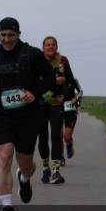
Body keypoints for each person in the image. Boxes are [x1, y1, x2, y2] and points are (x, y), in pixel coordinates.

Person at [0, 18, 55, 211]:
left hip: (28, 116)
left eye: (11, 35)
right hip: (2, 114)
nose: (7, 39)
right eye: (3, 35)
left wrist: (34, 92)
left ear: (19, 34)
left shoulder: (33, 54)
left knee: (27, 164)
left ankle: (25, 178)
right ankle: (7, 207)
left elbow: (50, 78)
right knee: (4, 155)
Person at [36, 36, 77, 184]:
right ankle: (45, 168)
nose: (51, 47)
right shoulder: (38, 60)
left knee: (55, 136)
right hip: (40, 103)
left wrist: (64, 81)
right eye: (48, 45)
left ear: (57, 47)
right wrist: (52, 81)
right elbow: (34, 81)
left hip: (56, 104)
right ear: (43, 47)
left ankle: (55, 171)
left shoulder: (63, 60)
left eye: (53, 45)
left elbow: (71, 80)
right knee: (42, 138)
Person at [62, 76, 82, 159]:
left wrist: (76, 98)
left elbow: (80, 92)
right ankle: (60, 157)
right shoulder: (54, 78)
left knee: (67, 136)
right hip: (57, 110)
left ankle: (69, 145)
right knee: (57, 137)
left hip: (70, 110)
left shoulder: (73, 80)